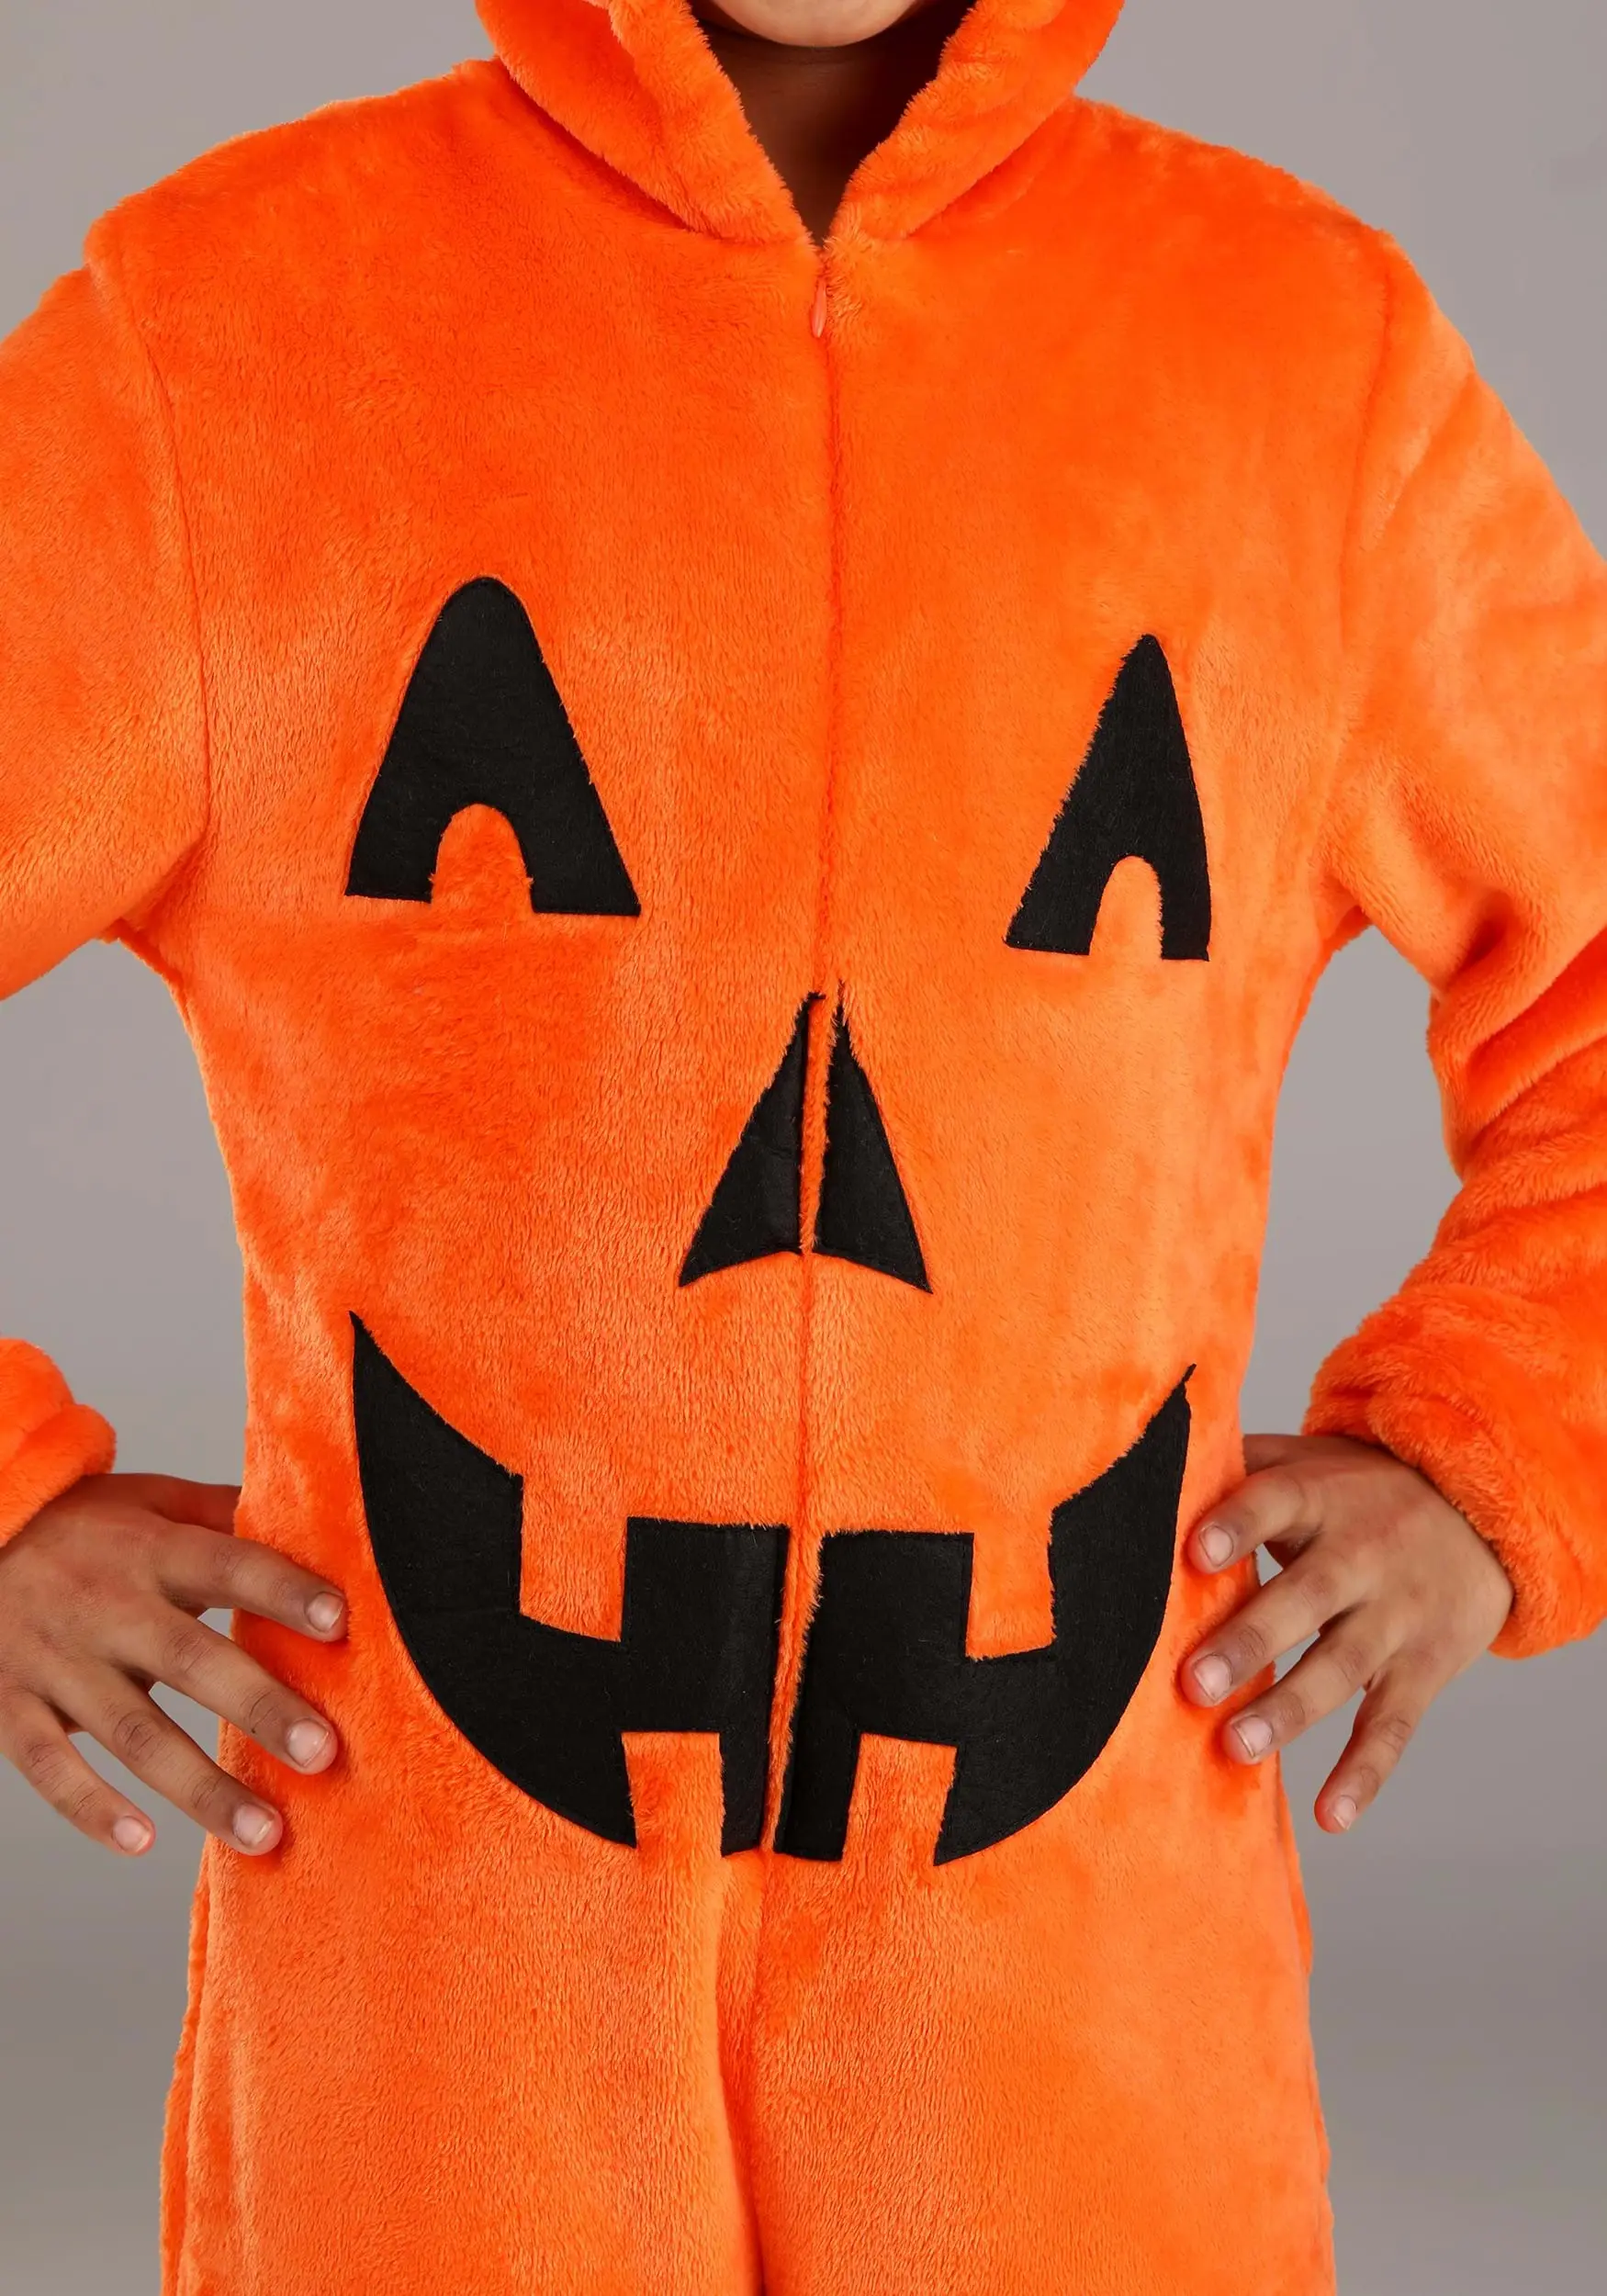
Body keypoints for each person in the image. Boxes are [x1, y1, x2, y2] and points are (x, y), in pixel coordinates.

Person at [0, 0, 1601, 2289]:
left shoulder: (1294, 358)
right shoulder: (236, 324)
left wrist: (1499, 1446)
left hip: (1076, 1999)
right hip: (436, 2010)